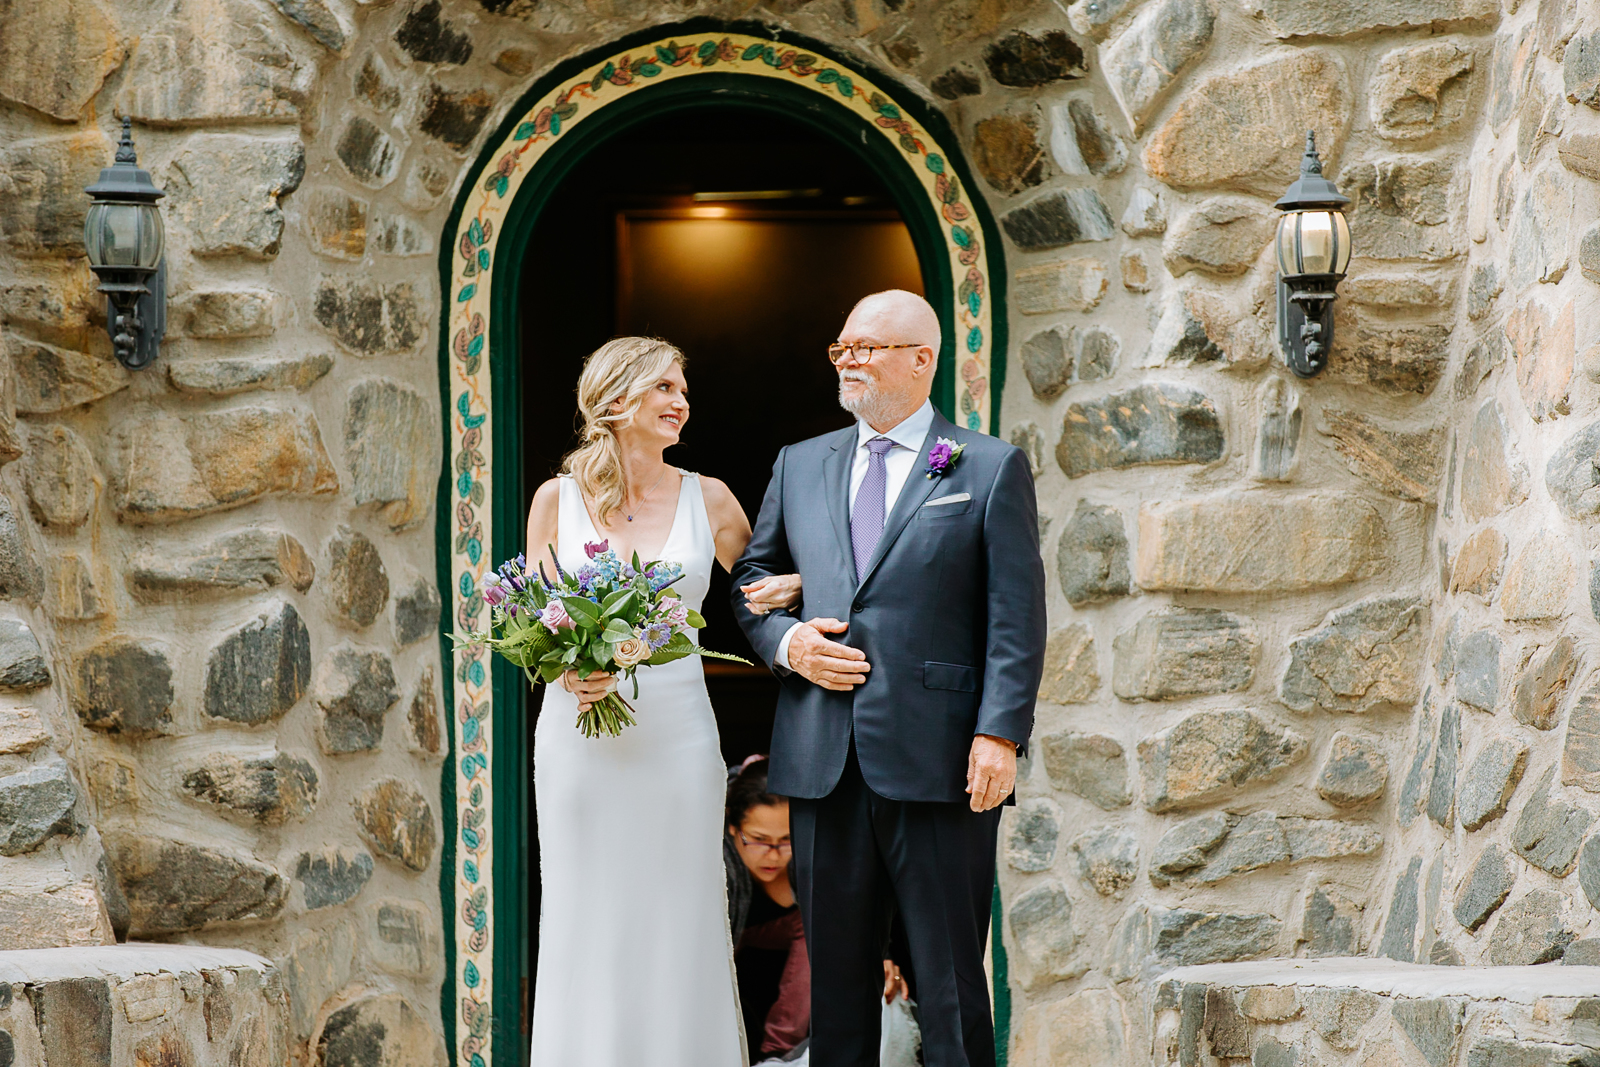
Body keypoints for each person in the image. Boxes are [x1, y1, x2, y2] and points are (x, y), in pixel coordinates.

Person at [731, 290, 1047, 1067]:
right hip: (820, 759)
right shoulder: (800, 463)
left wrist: (999, 732)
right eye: (842, 347)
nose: (848, 360)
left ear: (921, 358)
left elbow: (1016, 614)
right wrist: (789, 642)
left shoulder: (988, 465)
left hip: (940, 761)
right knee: (838, 992)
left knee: (948, 984)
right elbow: (753, 580)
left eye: (866, 346)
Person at [525, 336, 801, 1066]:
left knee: (680, 916)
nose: (682, 402)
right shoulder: (557, 501)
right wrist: (567, 671)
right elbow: (535, 624)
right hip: (580, 737)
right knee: (587, 914)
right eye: (665, 389)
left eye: (683, 389)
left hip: (677, 737)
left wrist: (804, 592)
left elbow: (762, 592)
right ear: (617, 401)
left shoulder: (707, 497)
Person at [725, 757, 913, 1064]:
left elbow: (850, 907)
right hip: (721, 940)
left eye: (786, 840)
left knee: (817, 920)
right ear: (733, 825)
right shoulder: (718, 857)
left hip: (783, 937)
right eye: (759, 840)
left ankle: (778, 1054)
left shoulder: (812, 854)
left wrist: (879, 953)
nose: (773, 855)